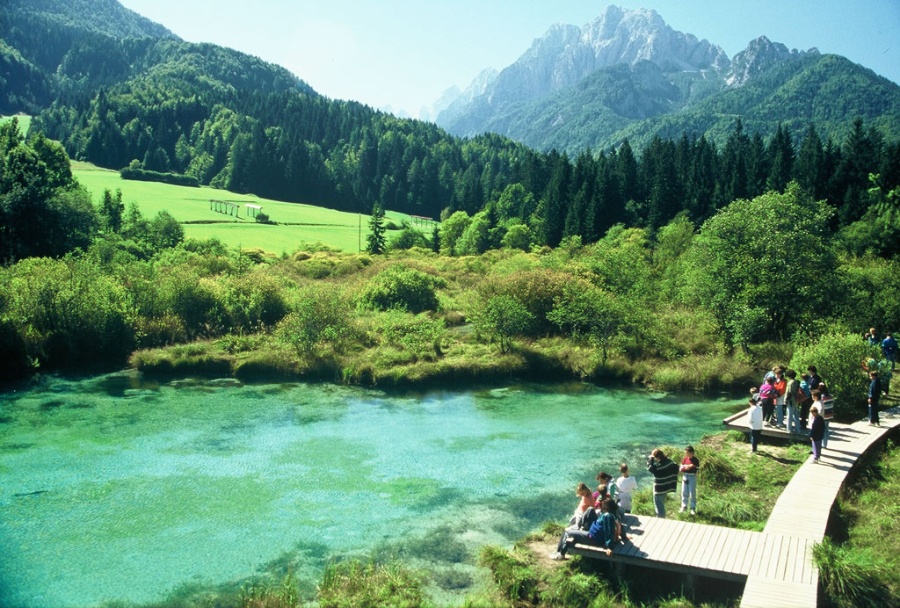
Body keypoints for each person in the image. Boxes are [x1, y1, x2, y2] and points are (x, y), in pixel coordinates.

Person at [551, 497, 617, 560]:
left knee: (567, 532)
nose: (602, 506)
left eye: (603, 505)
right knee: (590, 509)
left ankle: (560, 554)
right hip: (595, 532)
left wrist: (609, 547)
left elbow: (609, 532)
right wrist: (624, 535)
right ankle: (578, 526)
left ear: (606, 507)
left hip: (593, 538)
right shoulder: (611, 514)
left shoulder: (608, 516)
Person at [647, 448, 679, 518]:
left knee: (659, 507)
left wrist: (650, 459)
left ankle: (660, 520)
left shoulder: (659, 467)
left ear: (657, 457)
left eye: (655, 457)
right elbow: (676, 467)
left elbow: (650, 468)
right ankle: (661, 517)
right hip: (665, 488)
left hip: (659, 489)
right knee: (661, 505)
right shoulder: (669, 462)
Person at [679, 445, 700, 515]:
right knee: (684, 492)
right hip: (685, 476)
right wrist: (686, 467)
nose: (686, 454)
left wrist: (691, 467)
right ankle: (684, 506)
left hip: (692, 477)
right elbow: (681, 469)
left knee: (692, 493)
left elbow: (696, 469)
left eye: (687, 452)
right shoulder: (684, 459)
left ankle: (693, 508)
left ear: (691, 453)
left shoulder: (696, 460)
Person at [784, 369, 801, 435]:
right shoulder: (797, 382)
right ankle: (798, 430)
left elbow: (789, 392)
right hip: (796, 401)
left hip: (791, 400)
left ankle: (789, 429)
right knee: (796, 416)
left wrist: (786, 400)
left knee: (789, 416)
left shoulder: (790, 383)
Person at [819, 383, 834, 448]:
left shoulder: (822, 397)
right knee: (826, 429)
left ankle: (823, 444)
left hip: (823, 415)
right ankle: (825, 443)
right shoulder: (830, 396)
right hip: (829, 414)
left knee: (823, 430)